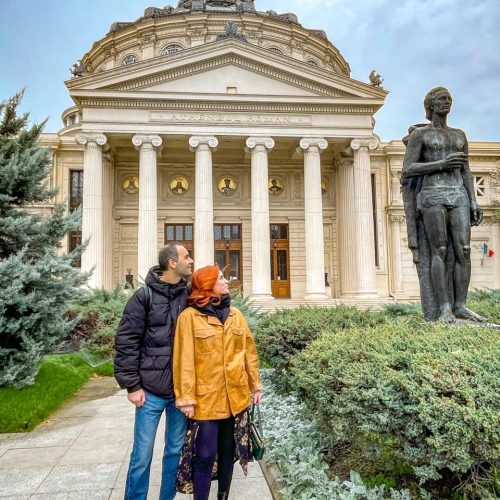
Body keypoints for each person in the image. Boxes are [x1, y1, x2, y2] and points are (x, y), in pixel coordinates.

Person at [173, 265, 263, 500]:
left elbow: (248, 353)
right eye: (220, 278)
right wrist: (185, 398)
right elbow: (184, 360)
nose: (226, 281)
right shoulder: (189, 317)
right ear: (207, 285)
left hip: (236, 396)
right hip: (206, 400)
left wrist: (256, 385)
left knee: (227, 452)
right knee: (204, 454)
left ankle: (223, 495)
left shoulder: (236, 315)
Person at [114, 243, 194, 500]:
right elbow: (127, 340)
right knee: (142, 455)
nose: (191, 261)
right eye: (186, 256)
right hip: (149, 391)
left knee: (174, 452)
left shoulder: (190, 294)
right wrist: (132, 386)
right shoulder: (144, 296)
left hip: (181, 393)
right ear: (172, 262)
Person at [402, 86, 485, 323]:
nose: (446, 102)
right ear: (430, 105)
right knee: (439, 250)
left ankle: (461, 305)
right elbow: (409, 169)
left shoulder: (459, 135)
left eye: (449, 98)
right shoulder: (421, 135)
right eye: (441, 99)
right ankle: (444, 307)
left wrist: (473, 200)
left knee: (464, 250)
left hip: (458, 194)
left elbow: (466, 171)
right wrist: (442, 164)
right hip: (432, 195)